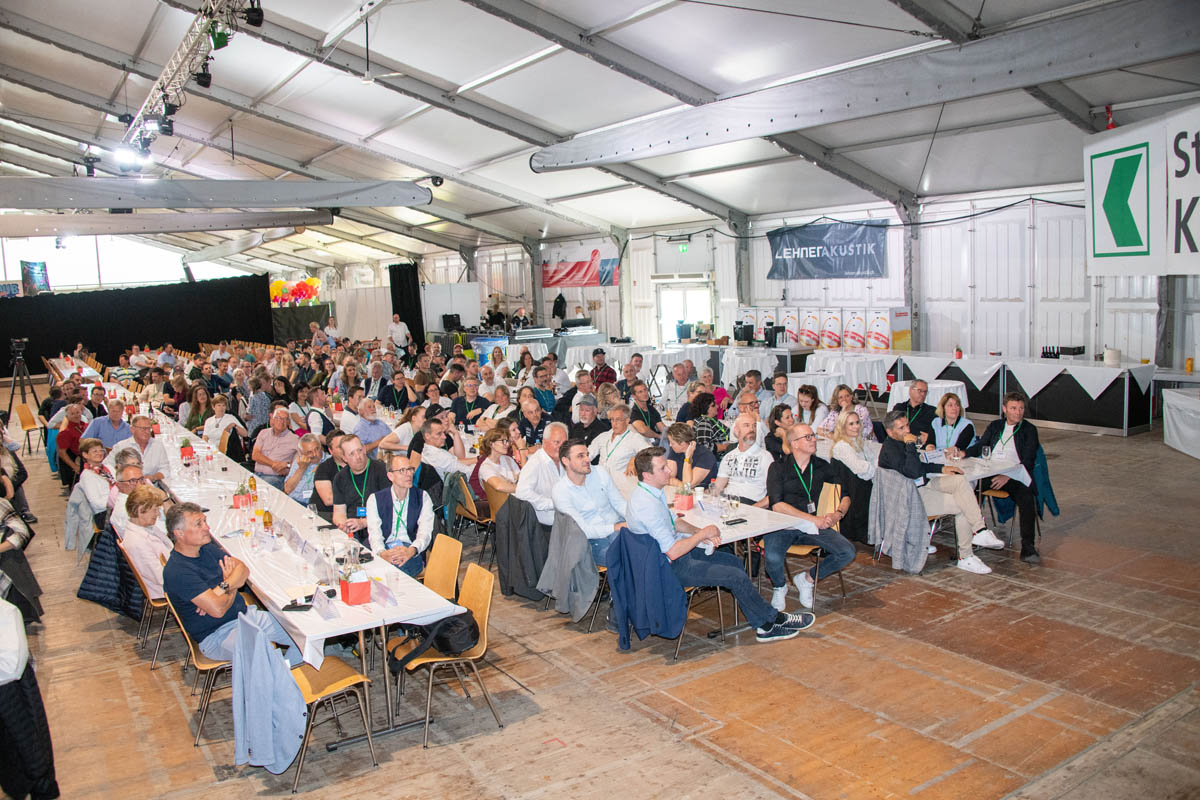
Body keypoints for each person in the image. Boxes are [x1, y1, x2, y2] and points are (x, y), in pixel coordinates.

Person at [628, 447, 812, 642]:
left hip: (672, 558)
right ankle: (774, 620)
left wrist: (698, 532)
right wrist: (702, 535)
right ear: (647, 475)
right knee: (734, 576)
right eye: (662, 468)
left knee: (733, 562)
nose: (669, 471)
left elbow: (674, 521)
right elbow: (673, 552)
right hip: (668, 567)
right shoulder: (647, 505)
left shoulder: (651, 493)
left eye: (666, 465)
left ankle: (763, 625)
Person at [162, 503, 302, 667]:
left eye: (205, 521)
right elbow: (218, 610)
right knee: (263, 654)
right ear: (179, 533)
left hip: (246, 616)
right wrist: (232, 584)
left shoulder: (207, 548)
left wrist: (220, 589)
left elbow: (243, 569)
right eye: (199, 524)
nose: (207, 527)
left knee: (300, 635)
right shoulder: (178, 571)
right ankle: (275, 674)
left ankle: (281, 674)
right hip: (218, 634)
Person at [879, 409, 1003, 572]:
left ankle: (980, 530)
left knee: (960, 480)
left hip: (922, 485)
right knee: (963, 506)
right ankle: (966, 557)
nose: (907, 430)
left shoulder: (901, 442)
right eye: (901, 428)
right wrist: (910, 444)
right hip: (910, 497)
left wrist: (942, 468)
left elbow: (919, 466)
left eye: (907, 425)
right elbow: (913, 471)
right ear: (890, 432)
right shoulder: (891, 449)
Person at [765, 424, 857, 611]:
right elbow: (777, 505)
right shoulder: (778, 467)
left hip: (811, 527)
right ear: (794, 443)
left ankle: (807, 579)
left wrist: (838, 514)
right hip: (783, 525)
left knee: (847, 552)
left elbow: (845, 495)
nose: (814, 439)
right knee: (772, 557)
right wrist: (812, 519)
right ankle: (779, 587)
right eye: (808, 437)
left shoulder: (822, 466)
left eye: (813, 435)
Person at [964, 392, 1041, 563]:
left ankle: (1028, 547)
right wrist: (963, 453)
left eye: (1021, 408)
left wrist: (1007, 476)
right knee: (967, 489)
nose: (1018, 412)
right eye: (1014, 408)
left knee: (1026, 497)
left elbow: (1028, 460)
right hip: (990, 472)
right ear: (1004, 409)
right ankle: (972, 535)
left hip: (1015, 475)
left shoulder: (1029, 430)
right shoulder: (995, 426)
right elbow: (981, 447)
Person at [553, 440, 626, 566]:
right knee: (621, 558)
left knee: (643, 545)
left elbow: (619, 503)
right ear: (565, 461)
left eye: (587, 454)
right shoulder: (560, 491)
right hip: (591, 540)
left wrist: (634, 520)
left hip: (617, 527)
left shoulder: (600, 472)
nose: (587, 459)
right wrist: (615, 527)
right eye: (580, 456)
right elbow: (583, 531)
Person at [364, 452, 433, 577]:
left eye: (410, 469)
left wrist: (411, 551)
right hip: (385, 548)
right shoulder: (375, 499)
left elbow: (425, 533)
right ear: (390, 476)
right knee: (385, 566)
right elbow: (374, 533)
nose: (409, 474)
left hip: (411, 550)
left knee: (395, 568)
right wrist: (382, 553)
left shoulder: (423, 497)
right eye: (402, 470)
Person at [829, 410, 880, 545]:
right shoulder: (842, 446)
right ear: (843, 427)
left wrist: (873, 466)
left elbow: (874, 461)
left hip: (861, 486)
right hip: (852, 491)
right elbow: (862, 469)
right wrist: (873, 467)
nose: (856, 426)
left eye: (857, 423)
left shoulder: (859, 442)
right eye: (851, 424)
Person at [331, 434, 390, 542]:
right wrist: (344, 524)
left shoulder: (382, 471)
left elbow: (389, 510)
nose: (358, 457)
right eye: (352, 454)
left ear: (364, 449)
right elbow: (339, 512)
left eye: (359, 450)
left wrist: (363, 522)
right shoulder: (340, 478)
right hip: (353, 530)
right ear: (344, 458)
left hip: (379, 528)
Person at [118, 485, 172, 598]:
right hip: (167, 589)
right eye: (155, 510)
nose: (158, 514)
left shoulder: (146, 527)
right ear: (140, 510)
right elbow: (161, 578)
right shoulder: (137, 543)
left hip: (173, 571)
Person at [514, 421, 568, 526]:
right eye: (556, 442)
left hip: (566, 519)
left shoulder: (565, 459)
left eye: (564, 443)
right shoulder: (535, 463)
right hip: (546, 524)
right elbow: (522, 493)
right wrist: (552, 503)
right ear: (544, 442)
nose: (561, 447)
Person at [709, 415, 771, 506]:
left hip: (751, 504)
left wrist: (753, 508)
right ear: (736, 431)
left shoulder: (765, 457)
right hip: (727, 500)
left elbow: (772, 495)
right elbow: (718, 486)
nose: (752, 429)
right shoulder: (729, 456)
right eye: (746, 425)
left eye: (754, 426)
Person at [588, 403, 646, 476]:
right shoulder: (603, 436)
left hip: (620, 480)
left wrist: (634, 459)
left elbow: (650, 453)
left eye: (618, 420)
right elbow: (588, 454)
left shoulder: (634, 438)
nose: (614, 423)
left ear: (627, 421)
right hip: (600, 478)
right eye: (612, 420)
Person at [106, 415, 168, 482]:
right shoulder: (121, 446)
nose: (147, 432)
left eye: (149, 428)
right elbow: (107, 466)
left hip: (151, 484)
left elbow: (165, 468)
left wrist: (152, 477)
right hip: (127, 485)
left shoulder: (158, 445)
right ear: (132, 430)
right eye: (143, 428)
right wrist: (123, 479)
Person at [251, 408, 299, 489]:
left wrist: (287, 465)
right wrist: (273, 464)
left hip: (276, 477)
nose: (282, 421)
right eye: (278, 418)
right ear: (273, 419)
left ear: (288, 422)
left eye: (285, 419)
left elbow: (302, 461)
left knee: (258, 489)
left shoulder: (294, 439)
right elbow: (255, 455)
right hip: (256, 474)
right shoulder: (263, 433)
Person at [411, 417, 471, 482]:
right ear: (427, 436)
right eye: (439, 434)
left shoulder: (424, 451)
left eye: (443, 433)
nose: (444, 437)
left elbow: (457, 462)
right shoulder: (441, 457)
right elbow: (468, 473)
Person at [664, 423, 716, 489]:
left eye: (672, 443)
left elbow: (688, 485)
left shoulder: (706, 456)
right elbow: (667, 477)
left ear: (683, 444)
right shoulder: (675, 450)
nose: (670, 445)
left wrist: (688, 457)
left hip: (701, 494)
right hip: (679, 491)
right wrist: (682, 485)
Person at [77, 438, 114, 527]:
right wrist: (115, 501)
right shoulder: (87, 475)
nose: (99, 453)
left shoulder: (109, 468)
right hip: (103, 514)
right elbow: (96, 503)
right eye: (95, 451)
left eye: (101, 450)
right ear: (85, 455)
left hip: (115, 507)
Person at [282, 433, 327, 505]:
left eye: (317, 449)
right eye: (309, 452)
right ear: (302, 453)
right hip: (292, 501)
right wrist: (301, 469)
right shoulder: (299, 461)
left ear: (321, 447)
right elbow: (287, 489)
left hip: (312, 505)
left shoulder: (329, 462)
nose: (315, 454)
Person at [310, 429, 346, 518]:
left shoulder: (357, 464)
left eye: (345, 445)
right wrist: (356, 496)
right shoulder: (324, 468)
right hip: (325, 514)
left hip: (352, 512)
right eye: (339, 447)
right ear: (331, 451)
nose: (344, 449)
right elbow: (328, 500)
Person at [891, 379, 937, 446]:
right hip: (899, 444)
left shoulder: (932, 411)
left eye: (925, 392)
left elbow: (935, 435)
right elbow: (893, 430)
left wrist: (929, 438)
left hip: (920, 446)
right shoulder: (899, 408)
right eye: (920, 391)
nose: (923, 394)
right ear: (911, 390)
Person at [476, 427, 521, 495]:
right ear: (491, 444)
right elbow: (498, 486)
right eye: (503, 441)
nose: (507, 444)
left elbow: (521, 478)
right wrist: (523, 489)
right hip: (505, 500)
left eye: (507, 441)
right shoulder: (486, 467)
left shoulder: (508, 459)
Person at [56, 403, 89, 490]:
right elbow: (62, 453)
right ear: (67, 416)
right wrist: (74, 466)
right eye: (72, 414)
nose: (76, 415)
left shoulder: (86, 426)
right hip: (76, 463)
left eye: (77, 412)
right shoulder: (65, 432)